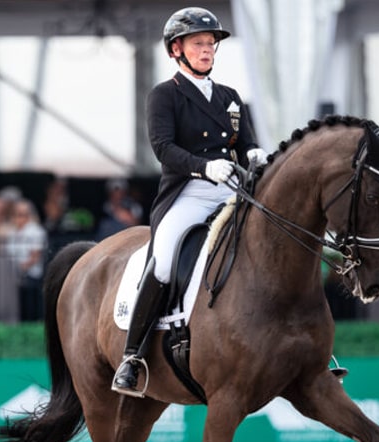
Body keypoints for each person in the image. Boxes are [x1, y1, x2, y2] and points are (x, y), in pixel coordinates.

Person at [111, 6, 265, 396]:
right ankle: (133, 356)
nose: (207, 49)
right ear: (175, 50)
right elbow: (163, 149)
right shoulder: (165, 95)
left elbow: (244, 143)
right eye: (199, 43)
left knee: (276, 238)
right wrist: (202, 167)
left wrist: (255, 155)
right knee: (162, 259)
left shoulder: (230, 97)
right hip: (189, 192)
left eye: (211, 43)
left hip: (232, 188)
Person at [7, 198, 49, 321]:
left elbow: (35, 256)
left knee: (30, 311)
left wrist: (20, 268)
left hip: (30, 277)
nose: (19, 218)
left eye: (23, 214)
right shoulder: (13, 232)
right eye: (16, 214)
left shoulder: (35, 231)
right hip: (13, 277)